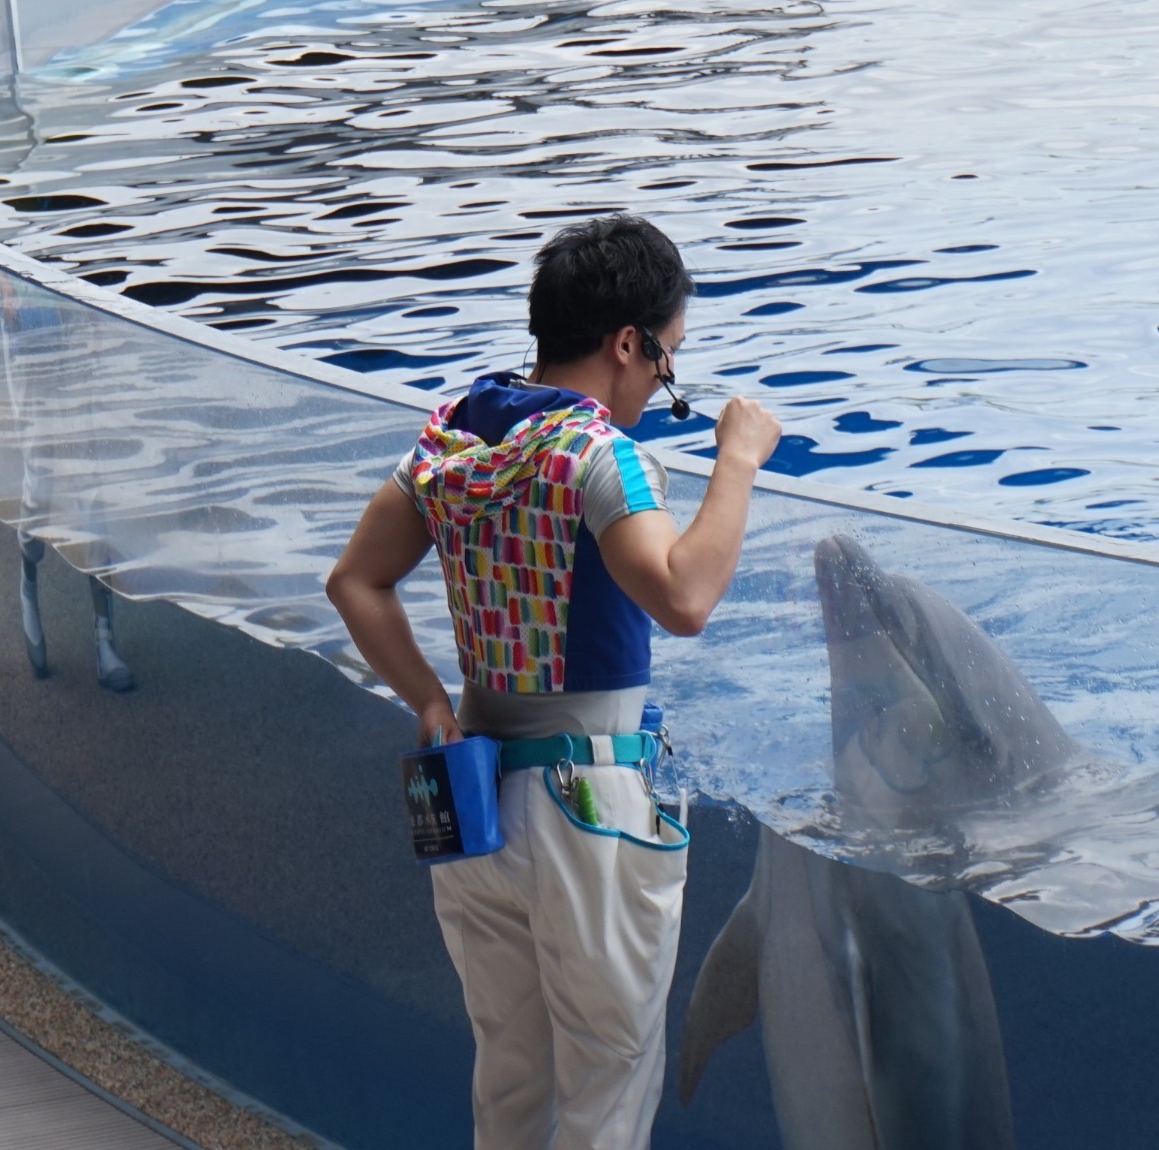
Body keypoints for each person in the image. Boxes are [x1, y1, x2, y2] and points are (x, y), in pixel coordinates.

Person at [326, 214, 781, 1149]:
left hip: (477, 797)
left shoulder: (456, 434)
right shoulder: (597, 454)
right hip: (590, 808)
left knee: (511, 1084)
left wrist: (430, 702)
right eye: (668, 360)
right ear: (628, 344)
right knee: (606, 1094)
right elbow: (685, 598)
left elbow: (355, 581)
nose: (663, 385)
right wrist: (736, 461)